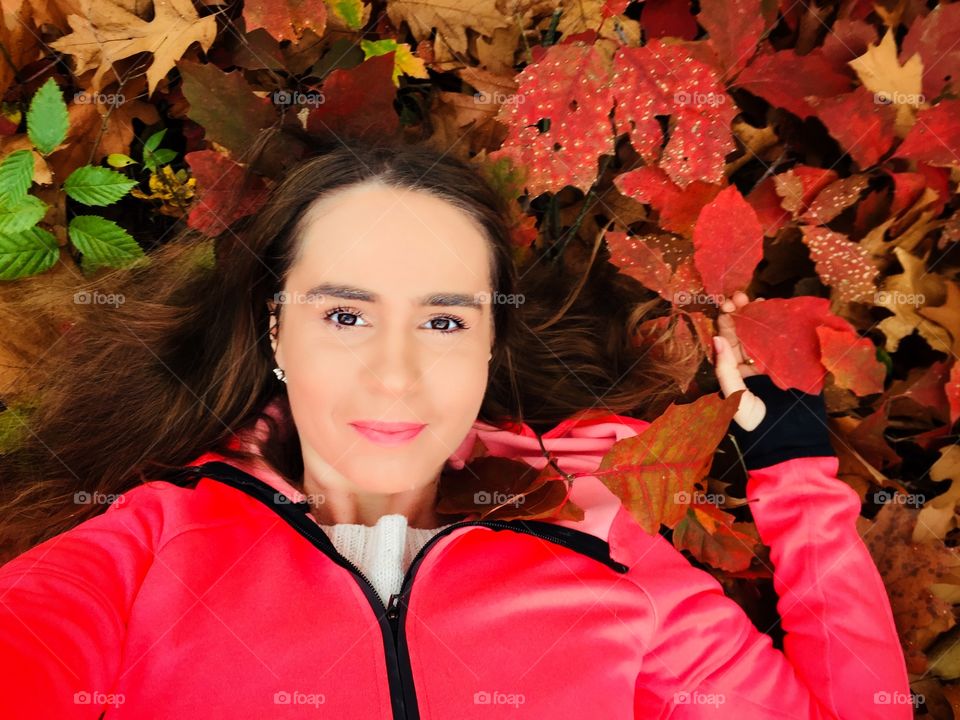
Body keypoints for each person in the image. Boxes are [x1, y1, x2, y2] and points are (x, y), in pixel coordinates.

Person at [0, 137, 911, 718]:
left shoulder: (598, 546)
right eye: (345, 315)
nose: (394, 374)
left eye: (443, 321)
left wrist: (794, 475)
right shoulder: (147, 550)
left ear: (489, 345)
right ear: (274, 327)